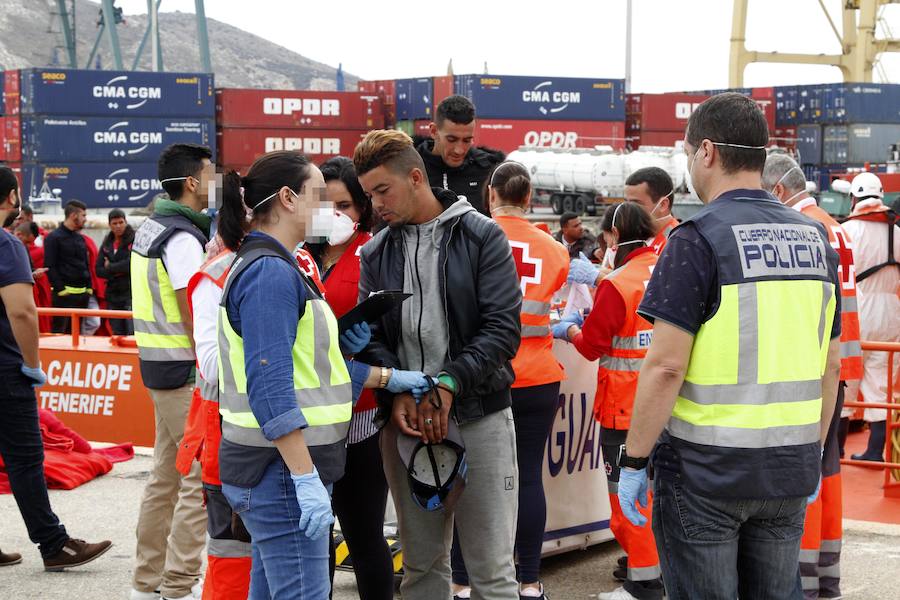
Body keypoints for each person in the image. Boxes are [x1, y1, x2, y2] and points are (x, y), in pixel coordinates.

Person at [618, 93, 843, 599]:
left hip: (705, 474)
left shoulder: (696, 239)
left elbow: (666, 367)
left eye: (687, 153)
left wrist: (633, 461)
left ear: (707, 152)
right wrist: (812, 451)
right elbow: (831, 364)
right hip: (788, 469)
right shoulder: (815, 240)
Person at [213, 149, 427, 599]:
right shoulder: (271, 273)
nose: (329, 211)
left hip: (274, 467)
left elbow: (307, 372)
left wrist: (385, 378)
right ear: (288, 198)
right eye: (318, 195)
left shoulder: (278, 265)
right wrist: (304, 476)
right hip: (281, 472)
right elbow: (270, 385)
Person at [354, 130, 523, 600]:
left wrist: (449, 382)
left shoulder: (482, 235)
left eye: (382, 191)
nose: (376, 205)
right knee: (422, 569)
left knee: (492, 573)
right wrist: (397, 391)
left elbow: (502, 330)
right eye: (369, 195)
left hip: (479, 416)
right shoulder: (375, 251)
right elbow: (372, 337)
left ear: (415, 177)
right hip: (405, 425)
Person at [448, 162, 569, 600]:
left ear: (490, 193)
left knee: (465, 479)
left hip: (481, 377)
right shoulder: (555, 250)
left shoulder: (468, 237)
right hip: (538, 378)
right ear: (529, 196)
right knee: (528, 479)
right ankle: (530, 582)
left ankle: (461, 582)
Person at [0, 166, 113, 570]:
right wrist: (32, 366)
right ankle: (53, 545)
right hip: (5, 372)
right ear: (12, 197)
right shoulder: (7, 245)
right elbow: (23, 313)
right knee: (26, 459)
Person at [762, 154, 863, 600]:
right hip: (839, 361)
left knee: (807, 467)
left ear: (777, 190)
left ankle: (802, 579)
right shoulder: (834, 226)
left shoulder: (801, 229)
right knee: (828, 467)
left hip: (814, 363)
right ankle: (826, 574)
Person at [553, 203, 664, 600]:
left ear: (614, 235)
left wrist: (569, 331)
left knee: (626, 498)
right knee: (657, 496)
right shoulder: (666, 268)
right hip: (667, 405)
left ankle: (643, 584)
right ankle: (657, 572)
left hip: (624, 407)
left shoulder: (618, 284)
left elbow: (593, 346)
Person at [306, 156, 394, 600]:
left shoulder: (372, 252)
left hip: (359, 413)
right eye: (325, 204)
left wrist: (365, 342)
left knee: (363, 533)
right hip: (308, 412)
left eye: (343, 205)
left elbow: (389, 327)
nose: (333, 214)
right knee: (313, 536)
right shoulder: (300, 253)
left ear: (361, 207)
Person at [129, 144, 214, 600]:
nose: (219, 182)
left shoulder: (150, 228)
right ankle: (179, 583)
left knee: (165, 476)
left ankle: (147, 582)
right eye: (212, 174)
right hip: (184, 373)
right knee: (198, 476)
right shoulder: (183, 239)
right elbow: (192, 311)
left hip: (158, 368)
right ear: (193, 182)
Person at [840, 171, 900, 463]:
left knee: (845, 380)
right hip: (891, 313)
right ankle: (875, 451)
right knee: (881, 384)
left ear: (853, 198)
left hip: (857, 310)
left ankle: (836, 450)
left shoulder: (847, 231)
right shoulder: (896, 232)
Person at [417, 95, 505, 215]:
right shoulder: (410, 168)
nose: (459, 150)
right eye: (451, 140)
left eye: (467, 140)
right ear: (434, 131)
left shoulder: (488, 170)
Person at [43, 200, 91, 334]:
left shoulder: (80, 238)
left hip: (82, 296)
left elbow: (85, 264)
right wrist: (61, 290)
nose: (85, 219)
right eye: (83, 215)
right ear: (73, 215)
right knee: (59, 335)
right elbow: (49, 266)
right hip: (63, 297)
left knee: (76, 335)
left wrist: (89, 288)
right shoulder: (53, 238)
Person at [623, 167, 679, 255]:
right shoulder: (636, 236)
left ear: (662, 204)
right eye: (626, 203)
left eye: (636, 204)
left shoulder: (675, 243)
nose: (628, 210)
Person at [96, 208, 135, 335]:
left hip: (130, 293)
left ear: (126, 222)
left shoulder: (134, 239)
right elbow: (98, 270)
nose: (118, 226)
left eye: (121, 222)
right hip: (112, 294)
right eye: (115, 223)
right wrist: (119, 269)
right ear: (109, 225)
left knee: (131, 332)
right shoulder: (107, 242)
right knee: (117, 333)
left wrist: (110, 267)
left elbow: (131, 264)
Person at [14, 222, 52, 333]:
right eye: (27, 242)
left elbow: (28, 269)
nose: (29, 246)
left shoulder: (23, 247)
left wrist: (34, 273)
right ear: (19, 234)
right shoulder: (7, 247)